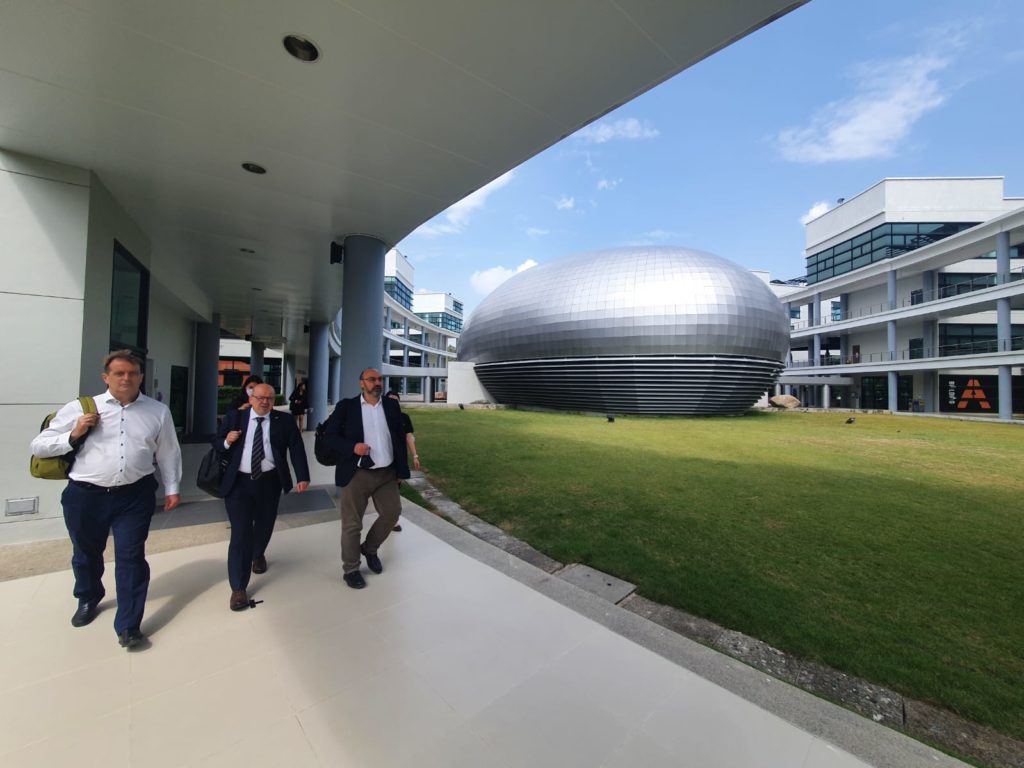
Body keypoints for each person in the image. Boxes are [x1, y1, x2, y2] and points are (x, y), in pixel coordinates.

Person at [30, 350, 182, 650]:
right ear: (106, 377)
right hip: (85, 496)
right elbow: (39, 445)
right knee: (86, 553)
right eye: (119, 373)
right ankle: (88, 596)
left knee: (131, 557)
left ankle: (128, 625)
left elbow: (168, 451)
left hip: (134, 495)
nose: (126, 378)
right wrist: (73, 434)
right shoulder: (80, 408)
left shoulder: (157, 411)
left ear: (141, 376)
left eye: (132, 373)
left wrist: (172, 487)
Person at [215, 383, 310, 611]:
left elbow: (296, 447)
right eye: (260, 398)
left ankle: (258, 553)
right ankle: (238, 588)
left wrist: (302, 476)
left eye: (270, 398)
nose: (265, 402)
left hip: (269, 482)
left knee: (265, 524)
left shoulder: (283, 420)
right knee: (240, 532)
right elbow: (216, 442)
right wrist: (227, 440)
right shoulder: (235, 418)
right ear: (251, 398)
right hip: (239, 483)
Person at [321, 367, 410, 589]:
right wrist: (352, 447)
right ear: (362, 383)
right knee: (352, 524)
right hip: (356, 473)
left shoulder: (391, 405)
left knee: (392, 513)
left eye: (380, 379)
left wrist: (401, 470)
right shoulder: (346, 407)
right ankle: (351, 569)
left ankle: (369, 549)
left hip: (386, 473)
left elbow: (398, 438)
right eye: (372, 379)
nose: (377, 383)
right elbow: (329, 437)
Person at [383, 390, 421, 532]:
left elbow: (409, 437)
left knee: (395, 489)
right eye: (390, 400)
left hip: (399, 458)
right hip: (382, 458)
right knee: (381, 488)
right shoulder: (380, 417)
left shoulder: (404, 418)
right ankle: (386, 515)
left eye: (396, 401)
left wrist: (415, 456)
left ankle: (394, 520)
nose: (393, 403)